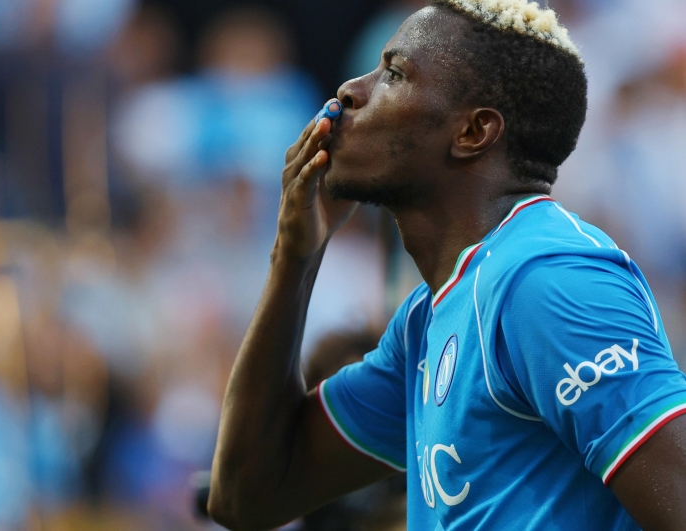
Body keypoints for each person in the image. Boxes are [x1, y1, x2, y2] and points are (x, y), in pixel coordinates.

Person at [207, 1, 686, 530]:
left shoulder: (546, 280)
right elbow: (247, 496)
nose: (349, 91)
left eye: (393, 73)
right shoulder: (424, 323)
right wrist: (293, 257)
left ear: (473, 132)